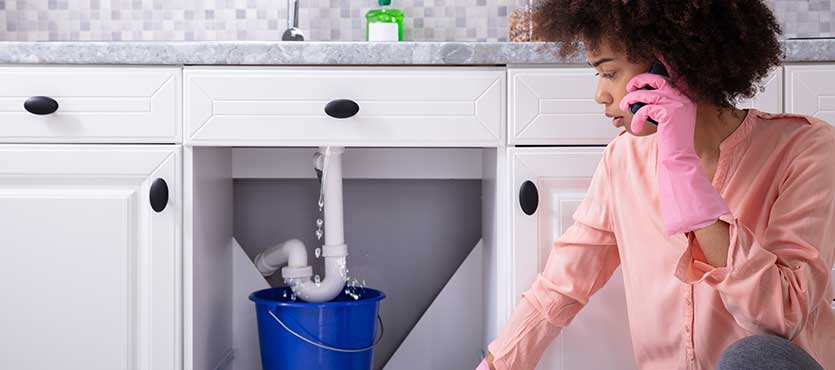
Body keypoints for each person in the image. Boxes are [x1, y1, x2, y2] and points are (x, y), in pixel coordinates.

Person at [476, 1, 835, 369]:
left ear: (671, 67)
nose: (600, 95)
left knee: (751, 356)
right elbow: (559, 288)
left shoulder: (805, 148)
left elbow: (779, 317)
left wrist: (682, 171)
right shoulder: (623, 161)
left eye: (610, 73)